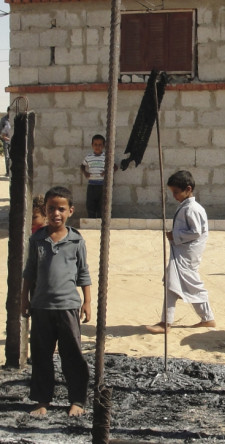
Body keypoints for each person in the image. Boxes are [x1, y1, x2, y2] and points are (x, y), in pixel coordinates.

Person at [21, 186, 92, 417]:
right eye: (51, 209)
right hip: (41, 307)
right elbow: (29, 273)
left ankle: (77, 400)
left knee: (72, 355)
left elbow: (84, 273)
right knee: (41, 355)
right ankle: (42, 400)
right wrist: (24, 299)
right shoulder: (37, 239)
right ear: (45, 210)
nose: (56, 213)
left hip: (68, 307)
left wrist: (87, 302)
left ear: (70, 211)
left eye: (61, 209)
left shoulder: (75, 241)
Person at [147, 170, 215, 334]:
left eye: (176, 192)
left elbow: (196, 232)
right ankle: (201, 318)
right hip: (182, 253)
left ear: (188, 189)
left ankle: (170, 322)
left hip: (187, 255)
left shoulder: (192, 208)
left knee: (190, 285)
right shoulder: (186, 206)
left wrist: (174, 236)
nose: (174, 196)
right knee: (175, 283)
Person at [80, 134, 116, 218]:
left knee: (102, 205)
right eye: (95, 144)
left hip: (103, 186)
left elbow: (115, 167)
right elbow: (82, 166)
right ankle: (91, 221)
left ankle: (101, 223)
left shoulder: (106, 157)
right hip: (92, 185)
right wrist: (85, 173)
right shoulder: (89, 157)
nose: (97, 147)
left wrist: (107, 172)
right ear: (92, 145)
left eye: (100, 145)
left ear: (103, 146)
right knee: (90, 204)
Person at [1, 108, 11, 176]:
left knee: (12, 157)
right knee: (7, 157)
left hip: (13, 141)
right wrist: (4, 138)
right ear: (7, 111)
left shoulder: (15, 117)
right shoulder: (3, 120)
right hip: (5, 141)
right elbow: (0, 131)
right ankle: (8, 172)